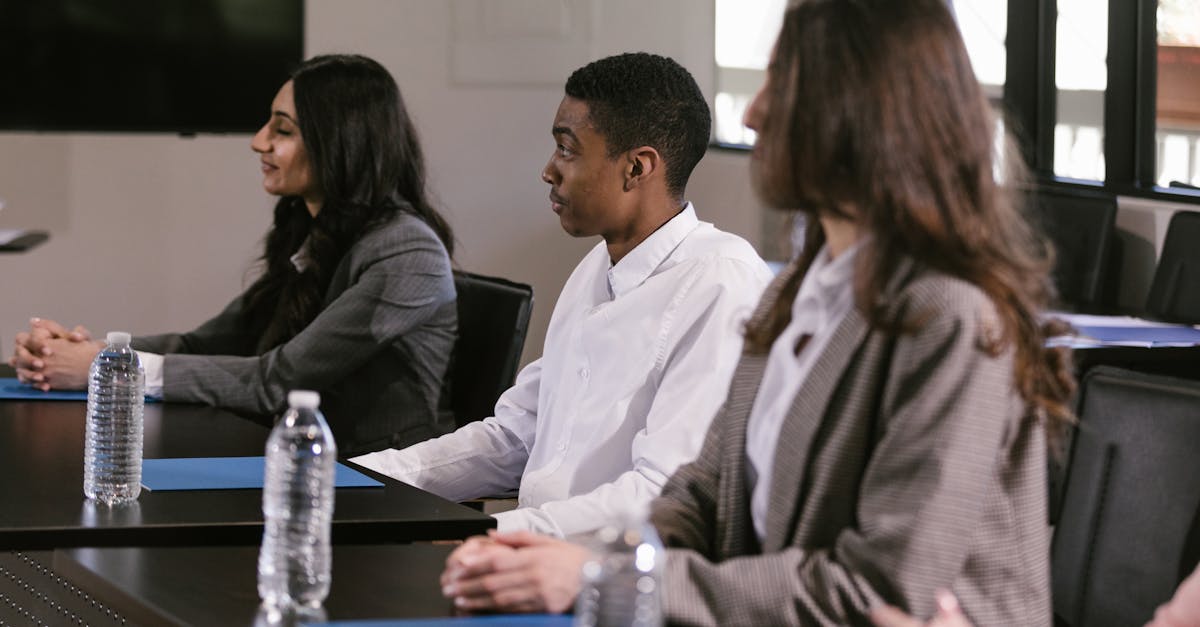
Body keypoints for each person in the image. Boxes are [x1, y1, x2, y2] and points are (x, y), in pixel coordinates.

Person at [436, 0, 1077, 624]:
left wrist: (605, 578)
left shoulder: (951, 318)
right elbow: (703, 496)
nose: (756, 111)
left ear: (864, 114)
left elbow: (876, 590)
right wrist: (579, 557)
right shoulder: (796, 293)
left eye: (783, 84)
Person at [351, 52, 772, 537]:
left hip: (615, 584)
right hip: (532, 555)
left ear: (636, 167)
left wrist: (494, 536)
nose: (549, 170)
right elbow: (517, 435)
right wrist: (361, 479)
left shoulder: (721, 283)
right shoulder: (597, 266)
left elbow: (663, 492)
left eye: (567, 150)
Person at [9, 54, 457, 456]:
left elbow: (278, 381)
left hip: (370, 484)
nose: (258, 142)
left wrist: (106, 368)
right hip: (287, 458)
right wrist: (87, 352)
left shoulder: (407, 252)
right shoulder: (315, 231)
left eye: (282, 130)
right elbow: (203, 344)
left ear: (341, 142)